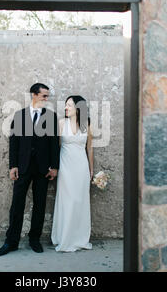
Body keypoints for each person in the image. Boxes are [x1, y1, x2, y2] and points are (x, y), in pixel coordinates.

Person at [0, 83, 60, 256]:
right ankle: (11, 241)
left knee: (40, 204)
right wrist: (13, 166)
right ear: (34, 95)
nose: (46, 99)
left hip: (42, 168)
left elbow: (54, 143)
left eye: (47, 96)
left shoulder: (51, 117)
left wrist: (55, 167)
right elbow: (14, 142)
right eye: (44, 96)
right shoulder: (19, 115)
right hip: (22, 167)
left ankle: (34, 239)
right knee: (17, 204)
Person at [51, 95, 94, 252]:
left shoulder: (86, 124)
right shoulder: (62, 123)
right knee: (67, 201)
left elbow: (89, 148)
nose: (66, 108)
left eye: (69, 105)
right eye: (66, 105)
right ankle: (64, 238)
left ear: (78, 108)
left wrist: (91, 169)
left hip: (81, 167)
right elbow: (57, 147)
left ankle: (79, 238)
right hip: (66, 167)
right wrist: (53, 167)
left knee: (80, 201)